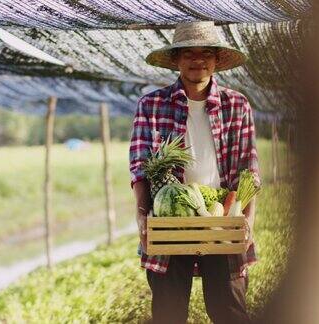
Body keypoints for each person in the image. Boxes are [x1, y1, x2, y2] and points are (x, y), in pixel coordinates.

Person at [129, 21, 260, 324]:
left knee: (230, 311)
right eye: (188, 53)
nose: (197, 60)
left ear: (217, 59)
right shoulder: (151, 105)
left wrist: (248, 220)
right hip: (169, 224)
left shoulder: (236, 105)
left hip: (222, 220)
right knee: (168, 313)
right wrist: (141, 215)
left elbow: (248, 171)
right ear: (176, 59)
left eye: (205, 53)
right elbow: (140, 167)